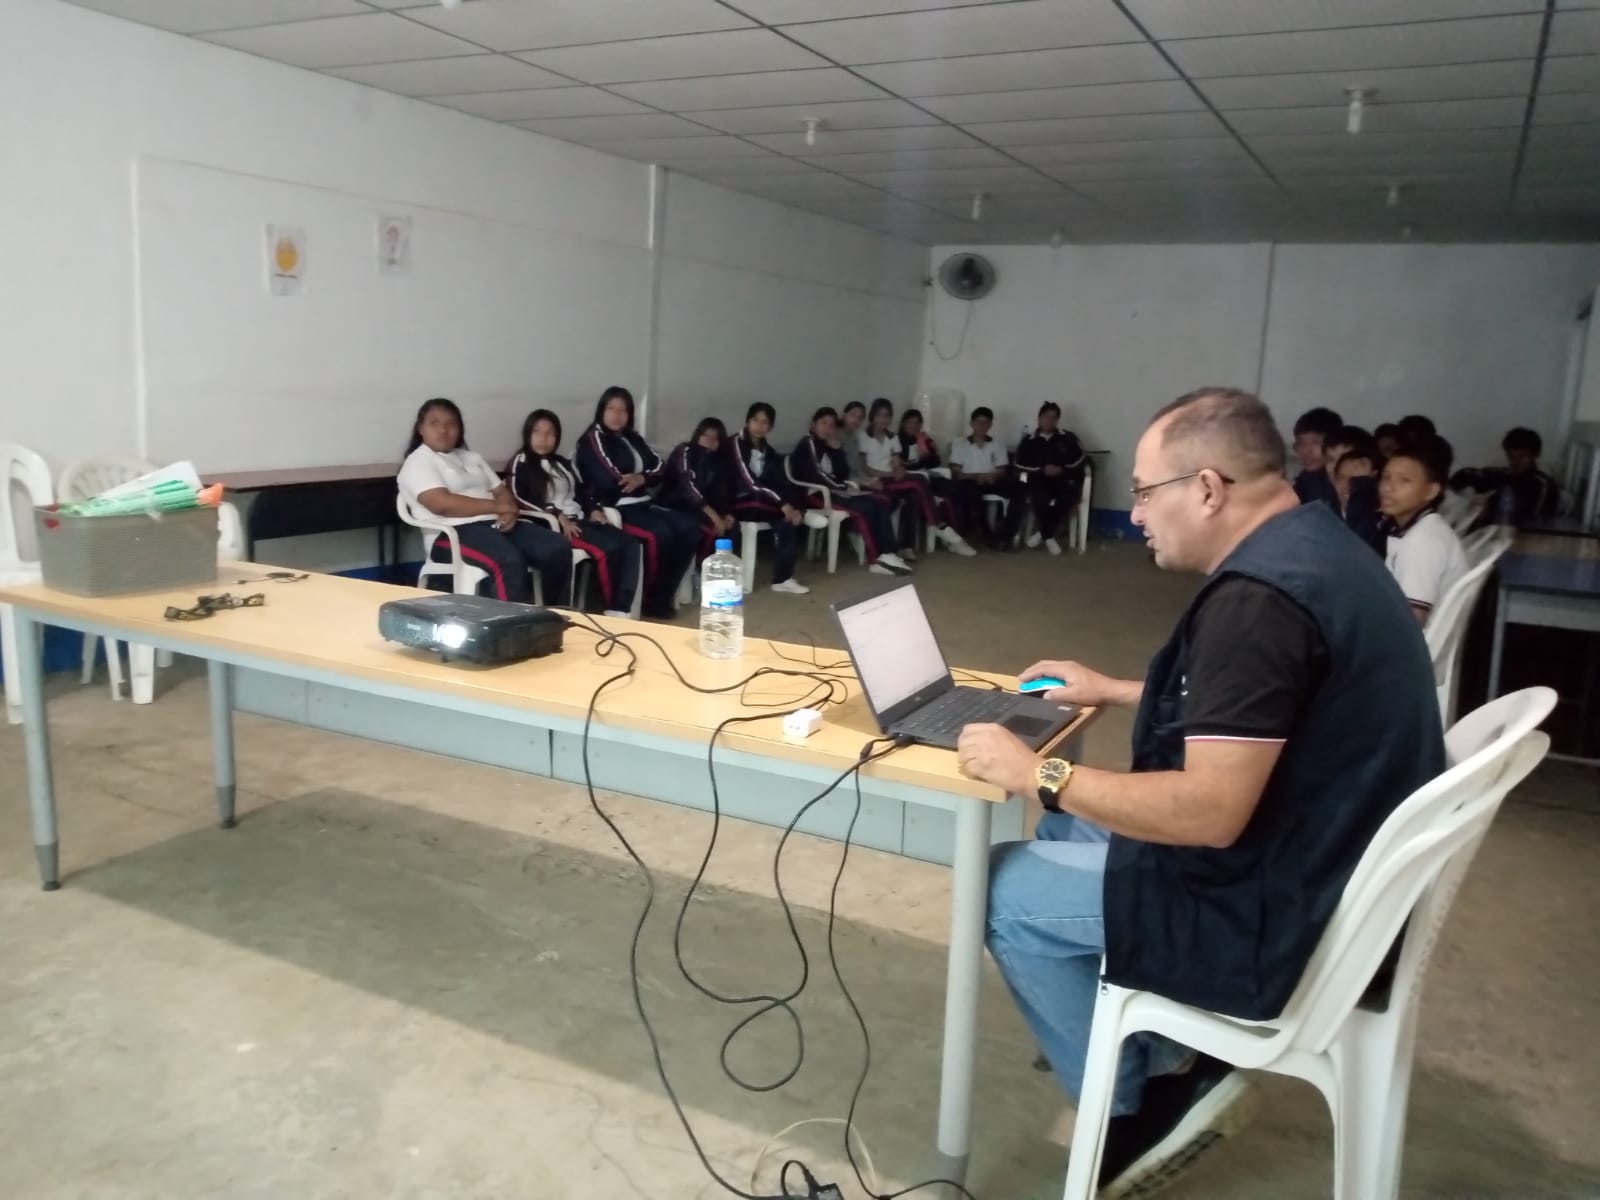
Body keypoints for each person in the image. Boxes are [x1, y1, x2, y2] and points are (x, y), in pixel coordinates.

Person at [957, 388, 1443, 1199]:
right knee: (1067, 836)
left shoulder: (1258, 604)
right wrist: (1114, 689)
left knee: (1000, 890)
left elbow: (1211, 814)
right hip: (1324, 852)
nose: (1136, 515)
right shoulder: (1315, 545)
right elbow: (1256, 704)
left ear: (1209, 488)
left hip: (1277, 903)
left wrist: (1037, 774)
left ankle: (1130, 1114)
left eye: (1147, 493)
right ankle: (1168, 1053)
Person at [397, 398, 571, 605]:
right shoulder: (418, 461)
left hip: (494, 526)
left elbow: (501, 491)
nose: (443, 430)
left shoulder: (472, 457)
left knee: (557, 547)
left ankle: (555, 612)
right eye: (434, 423)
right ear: (421, 429)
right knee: (508, 560)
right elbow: (441, 503)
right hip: (451, 534)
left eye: (451, 424)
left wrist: (508, 513)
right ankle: (510, 623)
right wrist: (498, 507)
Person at [575, 386, 700, 619]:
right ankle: (649, 599)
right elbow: (610, 478)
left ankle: (663, 593)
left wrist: (642, 478)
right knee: (659, 535)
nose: (617, 415)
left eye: (623, 410)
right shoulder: (593, 439)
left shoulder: (633, 438)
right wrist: (639, 478)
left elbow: (661, 467)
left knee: (690, 527)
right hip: (618, 507)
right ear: (601, 411)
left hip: (644, 502)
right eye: (611, 408)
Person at [506, 409, 640, 618]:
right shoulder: (520, 462)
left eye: (550, 433)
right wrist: (556, 514)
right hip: (553, 525)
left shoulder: (562, 463)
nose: (543, 438)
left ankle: (621, 607)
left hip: (579, 519)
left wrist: (593, 509)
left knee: (630, 544)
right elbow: (519, 497)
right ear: (528, 434)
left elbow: (582, 491)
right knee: (608, 548)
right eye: (537, 432)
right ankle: (609, 608)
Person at [790, 406, 912, 576]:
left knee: (879, 501)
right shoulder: (808, 442)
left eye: (831, 425)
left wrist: (836, 450)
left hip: (835, 490)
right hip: (814, 494)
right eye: (823, 423)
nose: (827, 428)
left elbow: (842, 473)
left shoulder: (827, 444)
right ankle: (876, 559)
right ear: (814, 424)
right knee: (864, 508)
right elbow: (817, 474)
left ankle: (888, 552)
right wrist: (842, 487)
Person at [859, 398, 975, 557]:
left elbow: (896, 461)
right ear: (872, 416)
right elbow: (865, 468)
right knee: (919, 481)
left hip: (893, 478)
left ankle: (907, 546)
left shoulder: (892, 437)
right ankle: (939, 526)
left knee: (914, 496)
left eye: (887, 416)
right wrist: (890, 474)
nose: (883, 420)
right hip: (876, 480)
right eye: (880, 415)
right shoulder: (864, 437)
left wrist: (898, 469)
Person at [1379, 436, 1468, 625]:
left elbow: (1412, 621)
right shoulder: (1422, 527)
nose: (1387, 487)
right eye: (1386, 477)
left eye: (1404, 480)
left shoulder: (1423, 541)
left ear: (1431, 491)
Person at [725, 402, 809, 595]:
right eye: (755, 420)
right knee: (773, 506)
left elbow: (780, 482)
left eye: (765, 423)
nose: (759, 426)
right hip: (735, 500)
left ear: (770, 427)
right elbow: (749, 481)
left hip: (762, 501)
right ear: (747, 421)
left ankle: (783, 578)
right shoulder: (735, 443)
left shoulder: (768, 451)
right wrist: (782, 504)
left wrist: (793, 506)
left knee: (788, 521)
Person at [1450, 426, 1561, 527]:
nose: (1516, 462)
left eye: (1523, 456)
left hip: (1523, 535)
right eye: (1511, 456)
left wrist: (1489, 513)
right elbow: (1465, 474)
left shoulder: (1544, 486)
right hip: (1485, 531)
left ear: (1536, 454)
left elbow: (1537, 521)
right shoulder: (1499, 474)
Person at [1015, 401, 1086, 555]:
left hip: (1064, 479)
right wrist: (1042, 470)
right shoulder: (1029, 440)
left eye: (1054, 418)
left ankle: (1043, 533)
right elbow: (1019, 463)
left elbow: (1080, 459)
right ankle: (1048, 536)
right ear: (1039, 418)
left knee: (1069, 496)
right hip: (1039, 479)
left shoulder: (1068, 437)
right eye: (1046, 417)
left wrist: (1062, 469)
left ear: (1058, 420)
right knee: (1039, 497)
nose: (1049, 420)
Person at [947, 406, 1023, 546]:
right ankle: (987, 536)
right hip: (969, 481)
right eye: (978, 422)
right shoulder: (960, 444)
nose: (981, 426)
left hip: (992, 480)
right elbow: (956, 472)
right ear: (972, 424)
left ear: (990, 425)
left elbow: (1002, 469)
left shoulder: (997, 445)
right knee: (970, 492)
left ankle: (1006, 534)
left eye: (985, 422)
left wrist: (993, 476)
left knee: (1020, 488)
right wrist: (976, 477)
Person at [898, 408, 981, 537]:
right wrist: (922, 460)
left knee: (959, 488)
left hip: (928, 477)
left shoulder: (923, 439)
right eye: (910, 422)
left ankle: (961, 529)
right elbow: (904, 466)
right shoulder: (897, 441)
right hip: (910, 480)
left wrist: (928, 450)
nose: (914, 426)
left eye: (917, 422)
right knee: (915, 497)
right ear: (904, 423)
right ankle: (943, 528)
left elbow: (936, 461)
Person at [1334, 448, 1385, 556]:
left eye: (1358, 480)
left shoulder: (1385, 524)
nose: (1347, 485)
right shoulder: (1324, 515)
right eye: (1342, 477)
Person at [1289, 406, 1342, 506]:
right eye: (1301, 442)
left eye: (1315, 442)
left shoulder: (1341, 482)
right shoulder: (1304, 479)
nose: (1306, 451)